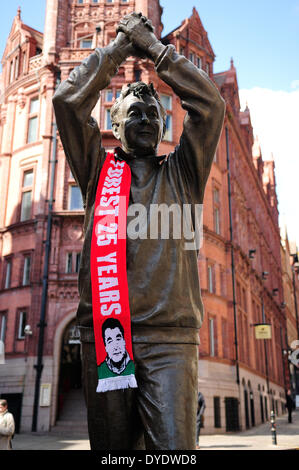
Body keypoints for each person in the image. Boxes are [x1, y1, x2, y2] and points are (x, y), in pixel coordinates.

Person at [53, 12, 225, 450]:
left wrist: (152, 49)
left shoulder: (184, 172)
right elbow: (68, 102)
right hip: (107, 337)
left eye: (154, 113)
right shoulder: (96, 172)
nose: (147, 118)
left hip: (170, 340)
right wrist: (115, 52)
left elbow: (211, 106)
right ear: (114, 126)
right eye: (134, 113)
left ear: (165, 126)